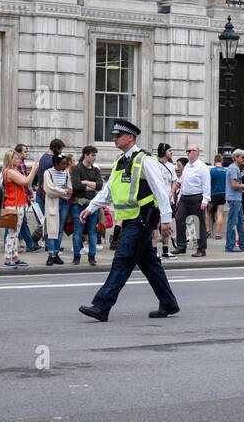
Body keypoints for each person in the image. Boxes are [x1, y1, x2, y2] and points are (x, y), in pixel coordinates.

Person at [77, 119, 180, 321]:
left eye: (118, 135)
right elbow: (108, 191)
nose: (114, 138)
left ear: (130, 138)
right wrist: (91, 208)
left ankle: (102, 305)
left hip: (142, 220)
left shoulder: (145, 160)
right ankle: (169, 303)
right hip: (130, 220)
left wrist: (166, 219)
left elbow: (161, 189)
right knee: (149, 263)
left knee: (122, 260)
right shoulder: (120, 161)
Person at [1, 148, 40, 268]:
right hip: (14, 205)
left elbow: (24, 181)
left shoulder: (13, 170)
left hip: (18, 204)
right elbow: (26, 182)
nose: (19, 160)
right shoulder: (10, 172)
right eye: (16, 158)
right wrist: (34, 170)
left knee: (15, 233)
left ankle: (15, 257)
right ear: (11, 160)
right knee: (12, 233)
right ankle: (8, 258)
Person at [70, 146, 103, 266]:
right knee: (78, 231)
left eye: (95, 155)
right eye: (92, 155)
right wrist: (91, 186)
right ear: (86, 155)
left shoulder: (96, 170)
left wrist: (85, 182)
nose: (94, 158)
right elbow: (76, 186)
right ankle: (76, 256)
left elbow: (100, 186)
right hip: (78, 203)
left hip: (92, 204)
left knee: (92, 231)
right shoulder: (76, 169)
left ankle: (92, 256)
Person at [175, 145, 210, 256]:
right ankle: (181, 246)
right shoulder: (187, 167)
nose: (188, 152)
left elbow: (206, 184)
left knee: (199, 224)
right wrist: (179, 197)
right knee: (179, 220)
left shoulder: (202, 167)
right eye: (187, 151)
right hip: (184, 198)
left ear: (197, 152)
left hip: (196, 198)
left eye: (190, 151)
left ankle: (201, 249)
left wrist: (205, 200)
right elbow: (184, 183)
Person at [43, 153, 73, 265]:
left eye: (66, 163)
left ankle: (56, 254)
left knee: (60, 230)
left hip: (63, 204)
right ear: (56, 163)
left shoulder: (66, 174)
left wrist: (60, 192)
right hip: (52, 204)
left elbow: (70, 191)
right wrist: (63, 191)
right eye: (63, 164)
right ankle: (50, 255)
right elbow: (49, 190)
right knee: (52, 229)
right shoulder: (48, 173)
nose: (65, 166)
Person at [226, 149, 244, 252]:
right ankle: (230, 245)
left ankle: (243, 244)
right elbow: (234, 185)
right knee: (232, 222)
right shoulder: (234, 169)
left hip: (237, 198)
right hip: (234, 198)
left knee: (241, 221)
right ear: (236, 158)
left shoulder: (235, 168)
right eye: (242, 157)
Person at [155, 144, 177, 258]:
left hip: (168, 200)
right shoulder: (155, 165)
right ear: (163, 151)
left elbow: (174, 182)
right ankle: (154, 250)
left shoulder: (171, 166)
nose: (172, 152)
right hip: (157, 200)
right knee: (156, 224)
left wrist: (171, 193)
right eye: (170, 150)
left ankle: (165, 250)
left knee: (167, 224)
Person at [209, 152, 227, 241]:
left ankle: (207, 230)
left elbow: (208, 183)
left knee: (207, 212)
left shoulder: (212, 171)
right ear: (222, 161)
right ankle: (218, 234)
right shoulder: (225, 171)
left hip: (213, 194)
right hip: (222, 194)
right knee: (219, 214)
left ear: (214, 161)